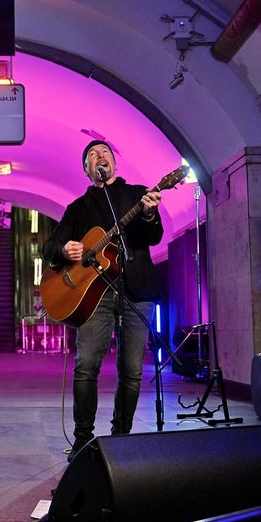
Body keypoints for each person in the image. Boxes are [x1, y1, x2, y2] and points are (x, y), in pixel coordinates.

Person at [42, 140, 163, 462]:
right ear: (86, 169)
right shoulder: (78, 208)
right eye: (93, 155)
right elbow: (49, 246)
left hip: (136, 291)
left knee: (133, 370)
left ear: (114, 164)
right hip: (94, 297)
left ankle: (121, 436)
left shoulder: (137, 194)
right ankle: (83, 439)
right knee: (86, 367)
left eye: (105, 153)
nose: (101, 157)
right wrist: (64, 250)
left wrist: (149, 215)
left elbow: (153, 237)